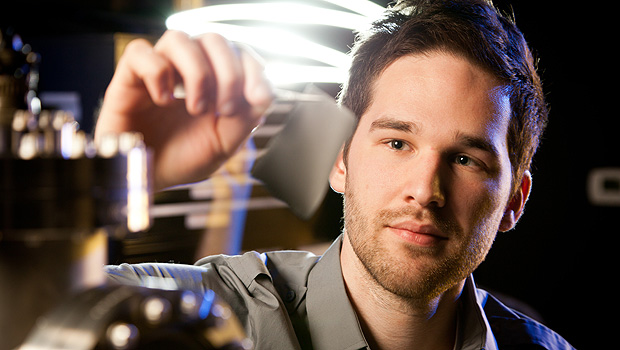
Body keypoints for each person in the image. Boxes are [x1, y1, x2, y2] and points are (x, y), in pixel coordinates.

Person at [99, 0, 575, 349]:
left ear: (515, 199)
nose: (425, 190)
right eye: (397, 143)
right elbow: (33, 319)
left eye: (465, 159)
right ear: (339, 160)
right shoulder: (215, 316)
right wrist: (107, 179)